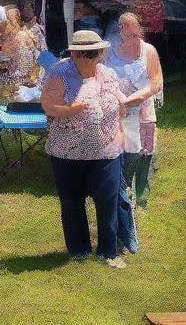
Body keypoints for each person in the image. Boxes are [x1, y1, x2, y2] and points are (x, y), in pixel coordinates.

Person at [40, 30, 126, 268]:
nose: (88, 58)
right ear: (74, 54)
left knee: (108, 201)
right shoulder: (60, 73)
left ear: (100, 53)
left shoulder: (108, 74)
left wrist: (122, 134)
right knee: (72, 202)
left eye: (93, 53)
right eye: (83, 54)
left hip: (106, 151)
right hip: (67, 152)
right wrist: (69, 110)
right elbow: (47, 106)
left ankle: (108, 252)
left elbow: (120, 105)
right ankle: (79, 252)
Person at [106, 12, 163, 214]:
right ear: (119, 32)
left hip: (143, 113)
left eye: (135, 33)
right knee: (121, 157)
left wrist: (138, 97)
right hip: (117, 114)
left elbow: (156, 82)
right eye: (126, 33)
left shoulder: (148, 51)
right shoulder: (109, 52)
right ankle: (122, 198)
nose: (132, 38)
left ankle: (141, 201)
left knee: (144, 157)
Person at [0, 8, 40, 93]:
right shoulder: (23, 34)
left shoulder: (21, 36)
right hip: (26, 75)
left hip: (21, 77)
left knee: (1, 80)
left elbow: (18, 59)